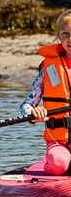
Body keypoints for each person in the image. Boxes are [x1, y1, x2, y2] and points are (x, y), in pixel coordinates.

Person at [21, 9, 71, 175]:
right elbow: (26, 105)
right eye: (65, 33)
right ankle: (53, 163)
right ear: (58, 35)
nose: (70, 39)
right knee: (59, 163)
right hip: (59, 141)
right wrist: (34, 112)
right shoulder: (49, 69)